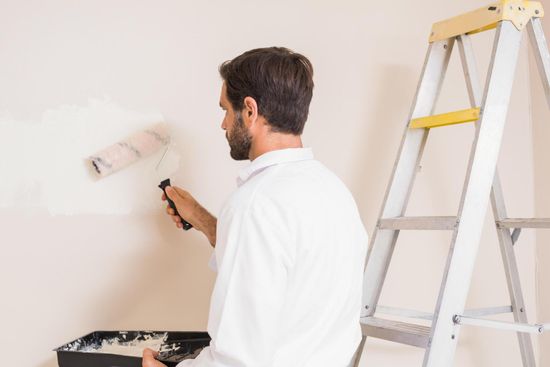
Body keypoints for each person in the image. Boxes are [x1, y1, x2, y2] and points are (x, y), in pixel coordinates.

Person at [142, 47, 368, 367]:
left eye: (225, 110)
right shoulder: (333, 191)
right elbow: (284, 270)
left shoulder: (254, 204)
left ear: (249, 110)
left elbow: (237, 358)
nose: (222, 124)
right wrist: (205, 221)